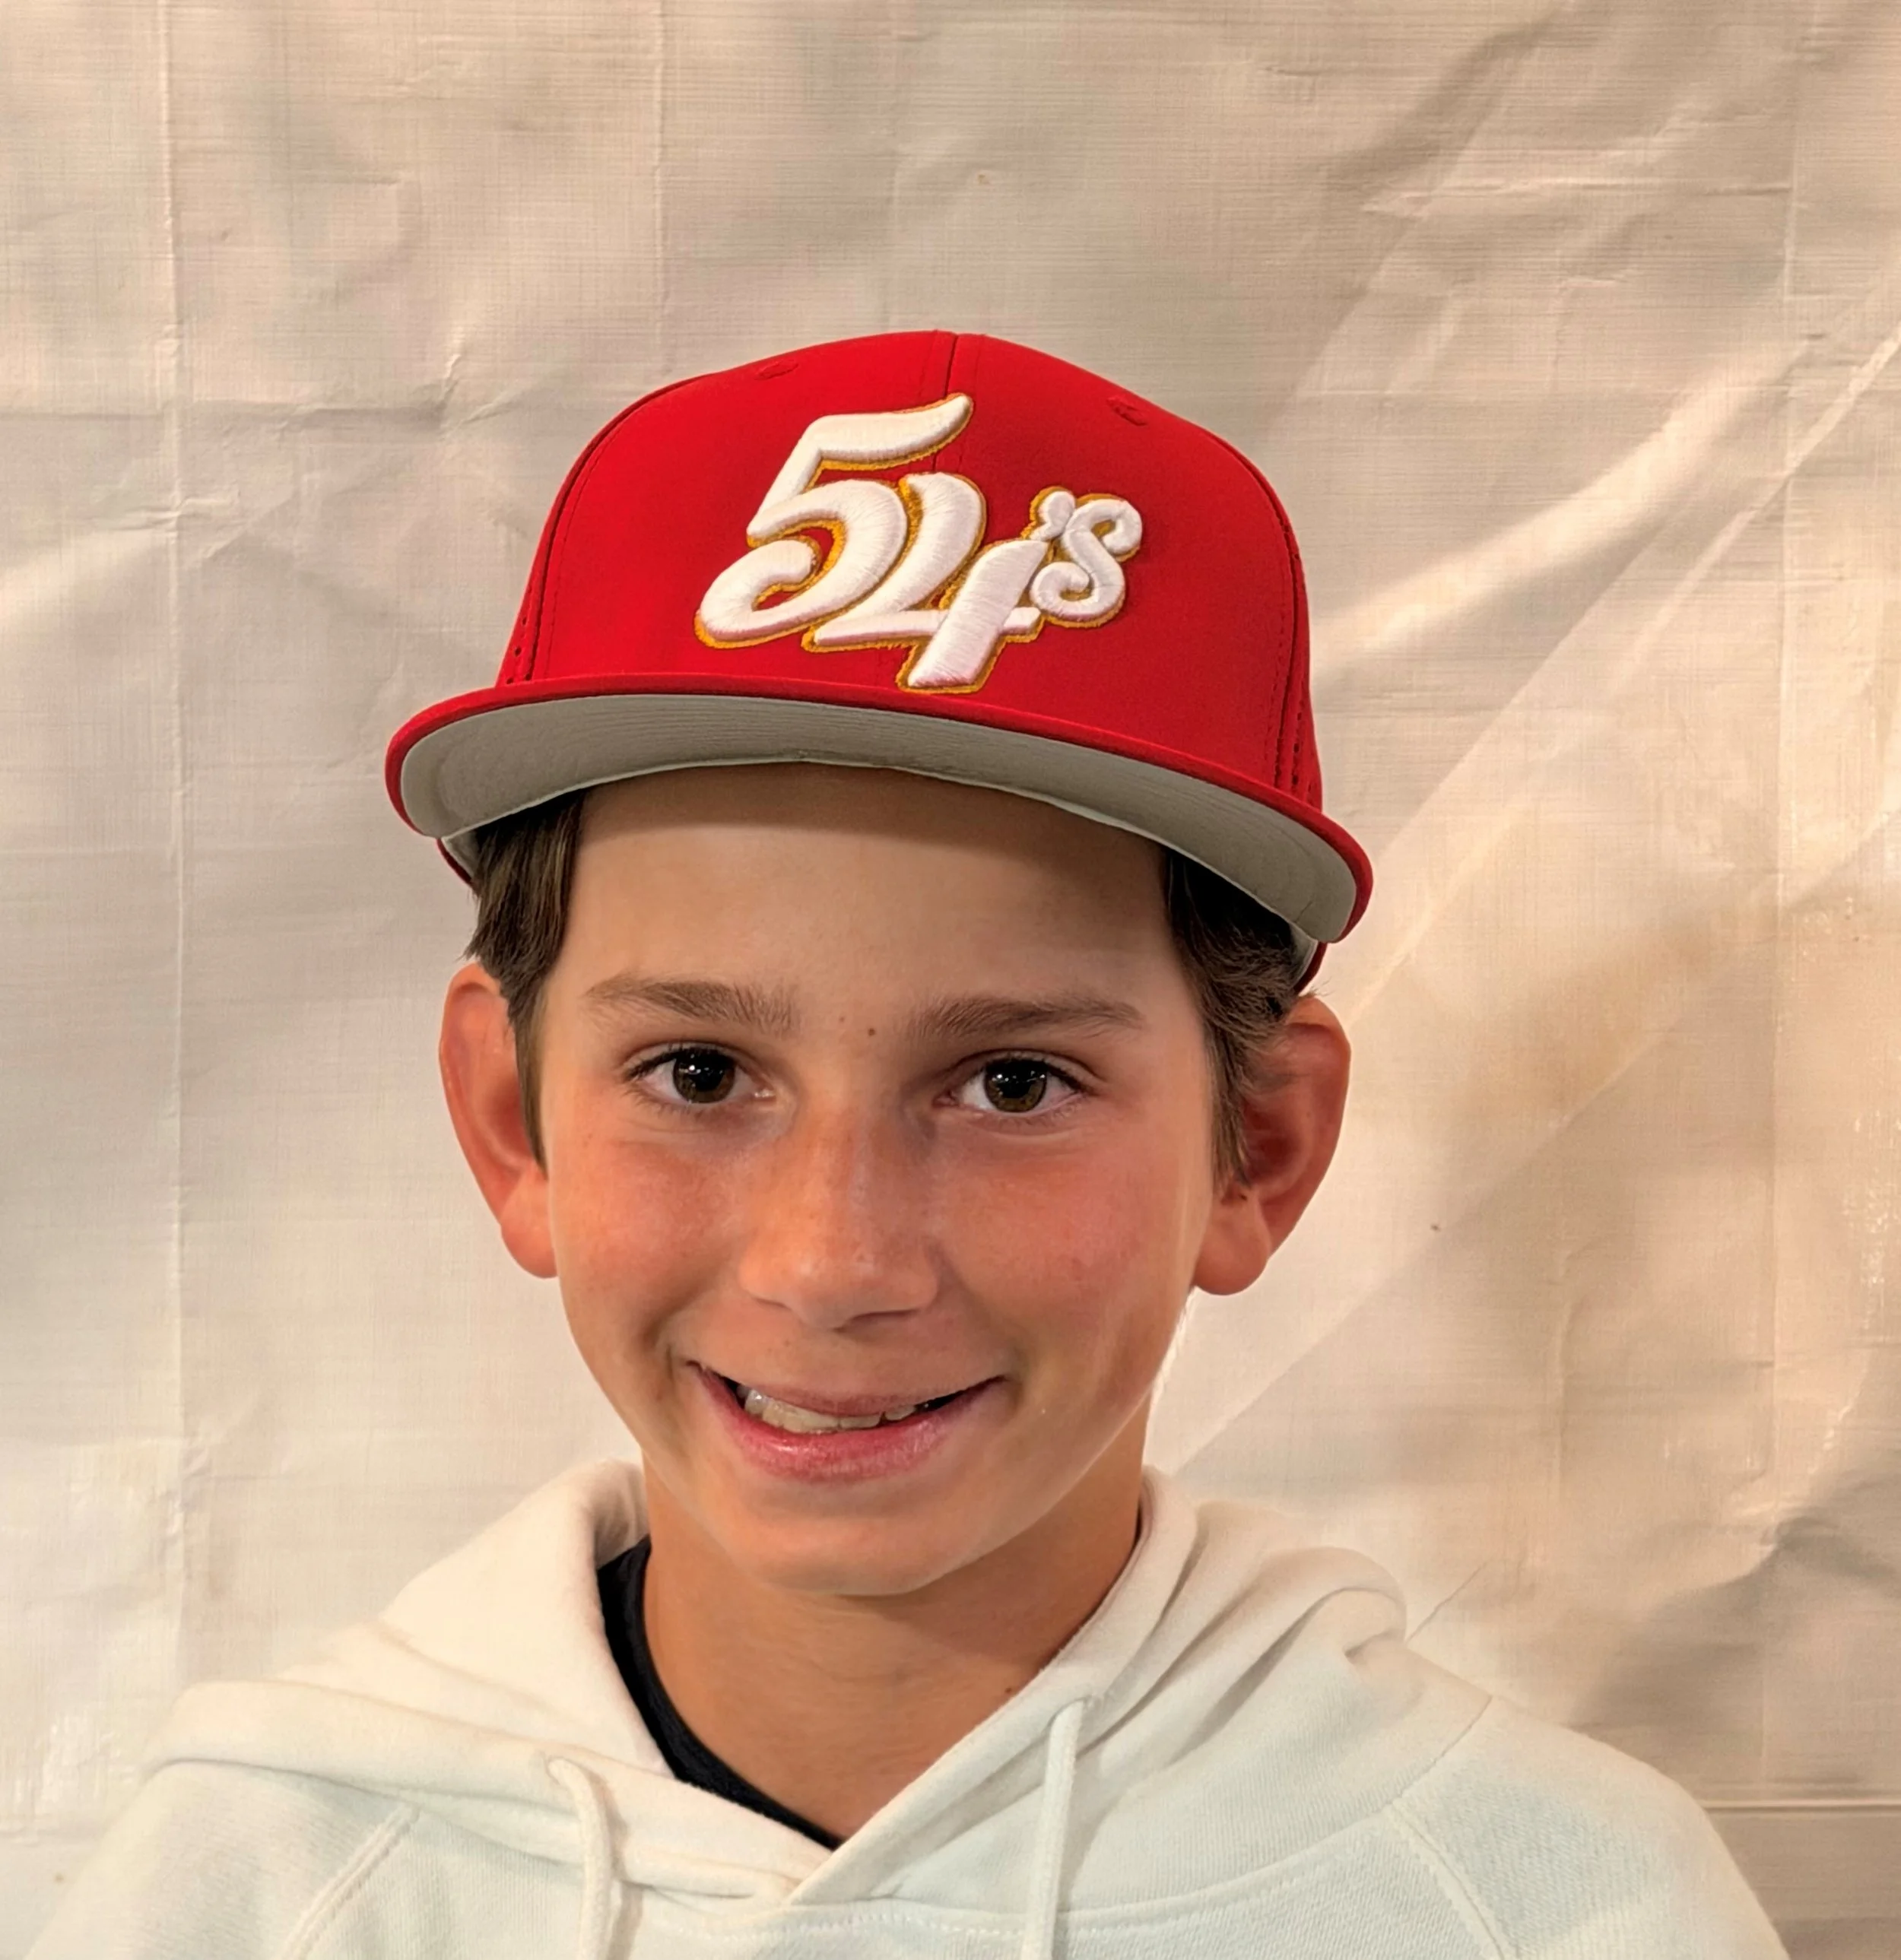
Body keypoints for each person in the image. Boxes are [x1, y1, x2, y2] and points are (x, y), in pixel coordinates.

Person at [29, 330, 1788, 1958]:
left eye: (1010, 1082)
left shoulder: (1557, 1908)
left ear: (1252, 1146)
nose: (832, 1261)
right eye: (700, 1070)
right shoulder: (249, 1890)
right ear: (512, 1119)